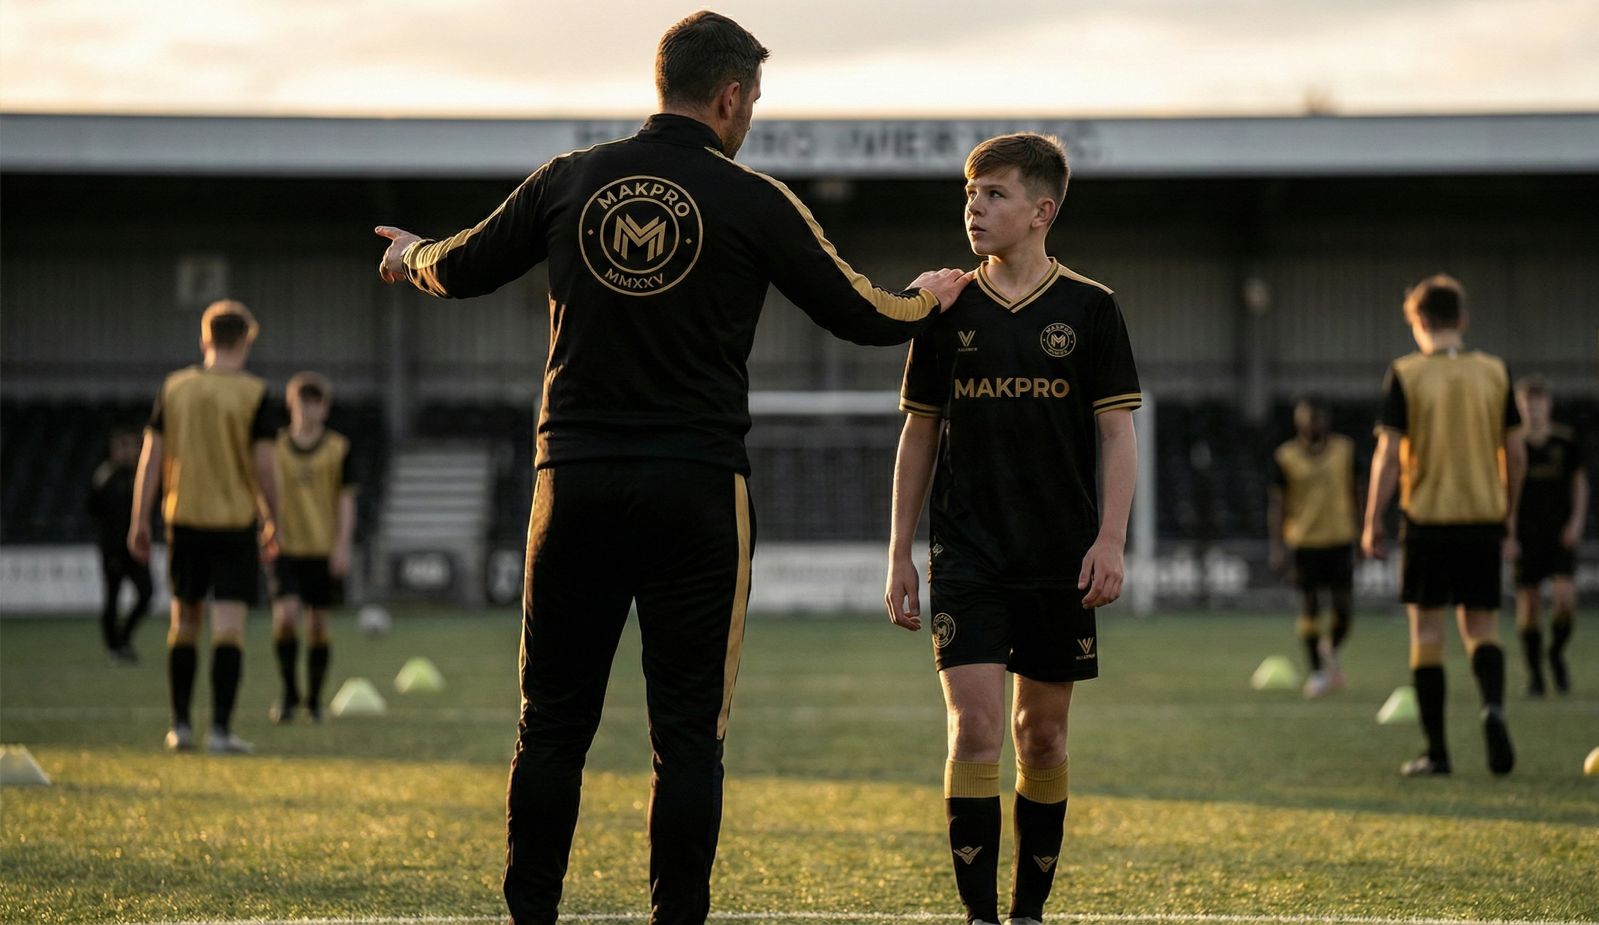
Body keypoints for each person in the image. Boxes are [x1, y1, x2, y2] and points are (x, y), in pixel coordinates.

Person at [371, 12, 971, 924]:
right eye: (753, 102)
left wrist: (409, 256)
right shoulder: (753, 198)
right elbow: (860, 312)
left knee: (550, 726)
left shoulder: (570, 178)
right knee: (688, 737)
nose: (752, 119)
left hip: (572, 484)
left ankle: (530, 914)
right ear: (728, 96)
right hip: (696, 491)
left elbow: (461, 266)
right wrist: (925, 299)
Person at [885, 133, 1139, 925]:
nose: (974, 207)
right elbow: (919, 433)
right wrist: (898, 552)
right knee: (976, 727)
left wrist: (1110, 538)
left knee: (1042, 737)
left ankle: (1027, 911)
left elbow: (1117, 434)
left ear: (1041, 211)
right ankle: (979, 917)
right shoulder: (945, 307)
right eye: (969, 192)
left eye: (993, 193)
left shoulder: (1091, 308)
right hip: (967, 552)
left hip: (1059, 555)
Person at [1361, 274, 1524, 777]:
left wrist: (1372, 520)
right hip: (1482, 518)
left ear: (1419, 321)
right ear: (1463, 319)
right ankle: (1492, 708)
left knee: (1428, 631)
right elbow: (1515, 451)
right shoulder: (1495, 372)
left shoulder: (1406, 373)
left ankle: (1438, 753)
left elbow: (1389, 455)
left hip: (1428, 521)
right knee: (1482, 627)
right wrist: (1508, 513)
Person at [129, 299, 280, 755]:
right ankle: (219, 731)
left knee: (185, 622)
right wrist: (274, 519)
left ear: (204, 339)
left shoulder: (175, 387)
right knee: (229, 626)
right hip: (234, 523)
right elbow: (265, 467)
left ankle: (180, 727)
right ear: (246, 342)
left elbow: (150, 458)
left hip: (184, 520)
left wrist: (139, 519)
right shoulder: (255, 393)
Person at [269, 372, 358, 724]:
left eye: (315, 403)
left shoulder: (338, 449)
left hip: (322, 548)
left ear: (325, 408)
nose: (309, 410)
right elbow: (261, 489)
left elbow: (346, 500)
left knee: (318, 625)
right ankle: (289, 693)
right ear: (291, 405)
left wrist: (342, 546)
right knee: (287, 617)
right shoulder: (275, 447)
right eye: (302, 402)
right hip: (285, 547)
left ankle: (315, 700)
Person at [1268, 398, 1359, 698]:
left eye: (1317, 418)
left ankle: (1329, 648)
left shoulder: (1344, 451)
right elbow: (1278, 503)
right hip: (1303, 542)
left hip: (1339, 538)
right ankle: (1318, 672)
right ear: (1298, 421)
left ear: (1326, 420)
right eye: (1307, 418)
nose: (1312, 424)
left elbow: (1356, 492)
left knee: (1343, 610)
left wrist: (1363, 532)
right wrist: (1277, 545)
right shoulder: (1286, 456)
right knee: (1309, 607)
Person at [1511, 375, 1587, 695]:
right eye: (1527, 405)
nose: (1534, 410)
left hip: (1558, 533)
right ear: (1519, 408)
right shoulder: (1513, 444)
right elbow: (1505, 491)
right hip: (1525, 535)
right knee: (1528, 605)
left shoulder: (1565, 442)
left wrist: (1577, 521)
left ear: (1549, 406)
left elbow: (1579, 485)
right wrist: (1508, 533)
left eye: (1538, 404)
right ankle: (1535, 675)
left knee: (1565, 600)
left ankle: (1555, 654)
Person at [88, 425, 154, 664]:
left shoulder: (140, 475)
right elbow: (92, 510)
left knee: (147, 592)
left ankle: (123, 639)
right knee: (112, 598)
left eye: (134, 445)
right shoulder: (105, 477)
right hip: (112, 549)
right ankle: (113, 646)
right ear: (114, 449)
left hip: (135, 548)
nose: (130, 451)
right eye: (124, 446)